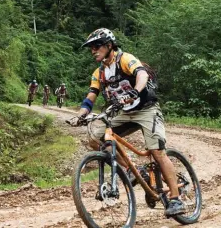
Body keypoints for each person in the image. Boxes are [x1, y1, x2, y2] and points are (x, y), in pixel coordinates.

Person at [69, 28, 185, 216]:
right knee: (97, 138)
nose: (93, 50)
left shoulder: (125, 59)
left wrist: (135, 92)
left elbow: (142, 75)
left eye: (96, 46)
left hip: (147, 110)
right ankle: (136, 171)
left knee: (157, 151)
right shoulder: (98, 73)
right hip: (123, 113)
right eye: (90, 48)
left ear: (109, 46)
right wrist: (80, 115)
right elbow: (91, 95)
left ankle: (175, 198)